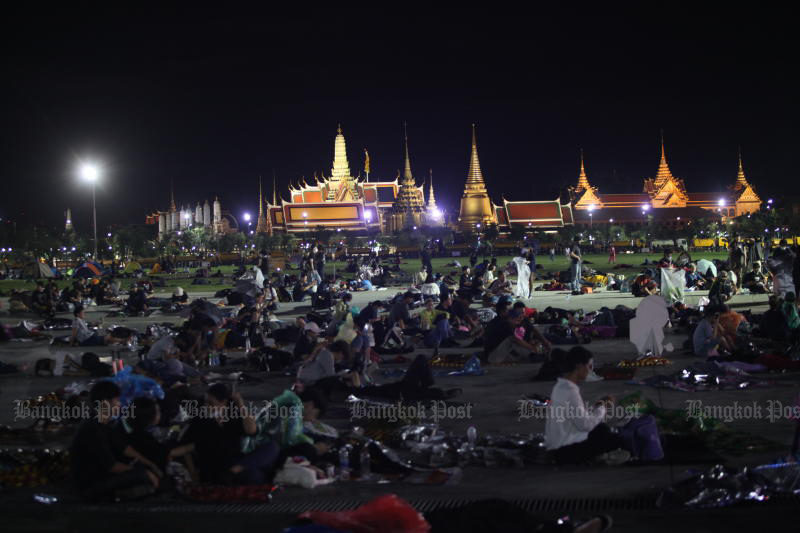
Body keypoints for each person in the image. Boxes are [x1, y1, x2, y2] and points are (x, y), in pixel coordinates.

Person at [70, 381, 162, 500]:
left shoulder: (104, 423)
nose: (120, 404)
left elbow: (124, 448)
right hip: (89, 485)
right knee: (143, 475)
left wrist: (150, 464)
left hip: (100, 475)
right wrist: (144, 473)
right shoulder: (93, 429)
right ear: (105, 403)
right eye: (117, 400)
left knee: (144, 470)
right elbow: (111, 466)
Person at [182, 384, 278, 485]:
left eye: (211, 403)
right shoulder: (200, 420)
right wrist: (192, 472)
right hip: (216, 467)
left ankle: (234, 471)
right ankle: (234, 473)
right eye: (206, 402)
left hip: (236, 463)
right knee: (256, 475)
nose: (207, 406)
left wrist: (241, 405)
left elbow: (252, 431)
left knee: (272, 447)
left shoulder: (233, 417)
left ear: (224, 403)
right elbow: (185, 448)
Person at [544, 347, 626, 465]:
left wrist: (598, 407)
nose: (589, 370)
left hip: (560, 443)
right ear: (579, 366)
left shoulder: (562, 386)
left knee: (601, 429)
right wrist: (603, 407)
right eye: (588, 366)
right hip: (564, 451)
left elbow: (577, 416)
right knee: (615, 439)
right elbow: (585, 425)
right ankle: (601, 457)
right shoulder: (570, 391)